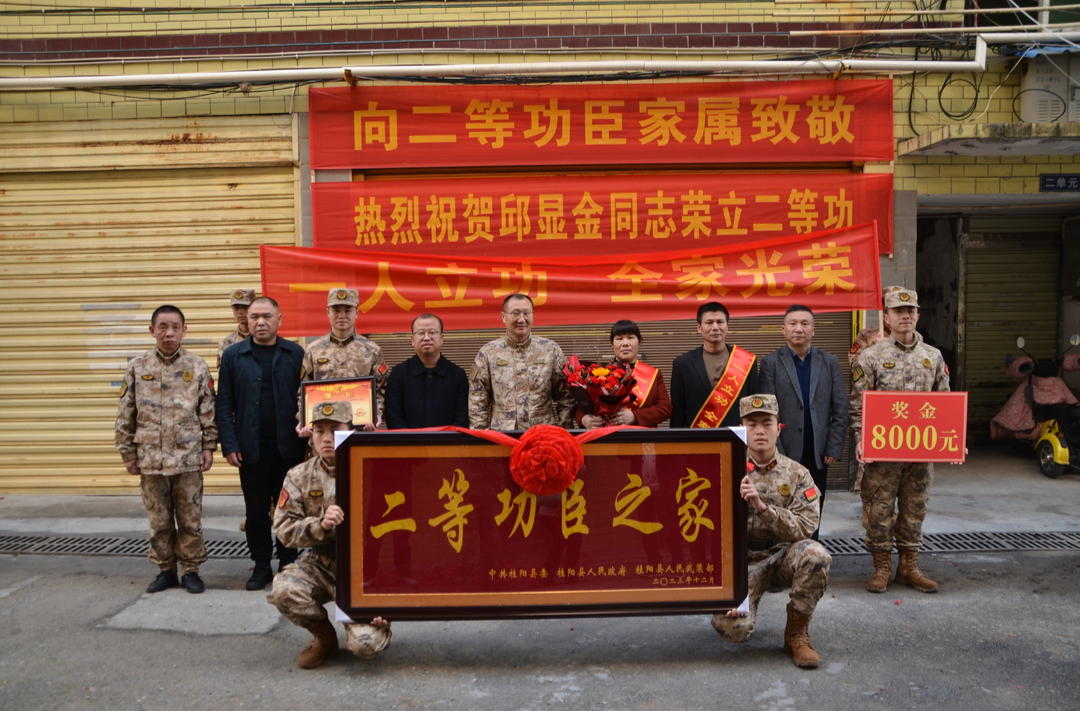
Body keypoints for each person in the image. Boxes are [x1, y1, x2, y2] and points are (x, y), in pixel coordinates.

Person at [267, 401, 391, 669]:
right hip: (321, 563)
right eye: (319, 430)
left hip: (367, 569)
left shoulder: (375, 467)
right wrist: (319, 526)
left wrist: (387, 599)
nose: (326, 438)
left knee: (365, 646)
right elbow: (284, 529)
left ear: (350, 430)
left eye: (335, 430)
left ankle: (376, 623)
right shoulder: (299, 475)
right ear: (310, 435)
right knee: (284, 590)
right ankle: (324, 638)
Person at [711, 394, 831, 669]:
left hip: (780, 558)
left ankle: (797, 634)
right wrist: (725, 589)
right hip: (738, 563)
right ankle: (736, 604)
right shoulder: (722, 466)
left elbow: (806, 526)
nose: (760, 431)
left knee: (816, 555)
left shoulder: (798, 474)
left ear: (780, 428)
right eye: (751, 424)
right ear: (741, 428)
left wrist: (763, 508)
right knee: (733, 630)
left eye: (767, 423)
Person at [850, 286, 950, 594]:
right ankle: (882, 567)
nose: (905, 316)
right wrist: (859, 438)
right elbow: (858, 404)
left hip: (920, 453)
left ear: (918, 315)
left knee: (914, 509)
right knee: (879, 511)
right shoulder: (871, 357)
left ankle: (910, 568)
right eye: (898, 311)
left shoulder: (933, 357)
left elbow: (945, 405)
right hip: (882, 453)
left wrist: (953, 438)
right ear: (886, 318)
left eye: (910, 311)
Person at [115, 305, 217, 594]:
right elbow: (126, 413)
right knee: (158, 520)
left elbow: (207, 410)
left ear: (185, 330)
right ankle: (165, 570)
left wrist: (209, 446)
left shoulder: (197, 366)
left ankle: (191, 570)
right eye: (162, 327)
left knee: (190, 518)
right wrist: (128, 453)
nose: (169, 332)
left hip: (187, 459)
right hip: (150, 460)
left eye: (175, 326)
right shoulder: (137, 367)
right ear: (152, 331)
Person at [217, 296, 306, 590]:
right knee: (255, 512)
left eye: (267, 316)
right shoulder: (233, 356)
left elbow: (305, 400)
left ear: (280, 320)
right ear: (246, 321)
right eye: (254, 316)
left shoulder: (295, 353)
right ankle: (260, 565)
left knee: (287, 509)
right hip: (250, 449)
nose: (260, 322)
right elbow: (224, 403)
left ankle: (288, 562)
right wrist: (229, 444)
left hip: (287, 449)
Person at [759, 305, 848, 538]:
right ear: (784, 329)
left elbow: (840, 407)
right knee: (782, 507)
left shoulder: (829, 362)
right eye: (793, 323)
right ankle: (783, 559)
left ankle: (812, 555)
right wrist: (776, 451)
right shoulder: (771, 363)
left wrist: (833, 447)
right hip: (784, 451)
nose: (798, 329)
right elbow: (767, 413)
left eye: (804, 324)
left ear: (814, 330)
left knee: (813, 505)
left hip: (817, 452)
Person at [468, 293, 574, 431]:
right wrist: (483, 438)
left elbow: (566, 396)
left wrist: (561, 431)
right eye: (515, 313)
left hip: (543, 435)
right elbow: (478, 400)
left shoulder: (550, 350)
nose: (522, 319)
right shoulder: (488, 353)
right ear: (503, 317)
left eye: (526, 313)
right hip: (502, 436)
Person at [297, 288, 387, 434]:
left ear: (356, 313)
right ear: (328, 312)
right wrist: (303, 419)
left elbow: (381, 390)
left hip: (359, 429)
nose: (341, 315)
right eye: (336, 310)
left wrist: (376, 415)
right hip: (324, 430)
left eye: (348, 310)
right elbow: (303, 391)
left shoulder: (372, 350)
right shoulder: (313, 350)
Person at [670, 302, 758, 429]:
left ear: (727, 326)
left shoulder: (747, 361)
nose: (715, 327)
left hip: (737, 438)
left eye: (720, 322)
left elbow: (753, 406)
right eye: (709, 322)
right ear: (699, 328)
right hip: (698, 438)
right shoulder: (682, 364)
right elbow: (678, 411)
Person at [578, 319, 672, 428]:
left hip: (642, 438)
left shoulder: (653, 374)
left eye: (631, 338)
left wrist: (635, 416)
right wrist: (584, 419)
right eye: (619, 339)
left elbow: (665, 408)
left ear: (639, 342)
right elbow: (581, 407)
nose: (625, 343)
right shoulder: (600, 373)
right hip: (606, 438)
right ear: (612, 344)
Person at [385, 313, 469, 429]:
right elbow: (393, 415)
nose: (426, 337)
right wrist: (410, 441)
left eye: (432, 332)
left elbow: (462, 417)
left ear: (442, 338)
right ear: (412, 340)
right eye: (420, 333)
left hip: (448, 444)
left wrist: (447, 441)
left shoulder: (458, 375)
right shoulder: (398, 374)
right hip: (407, 444)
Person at [849, 318, 891, 493]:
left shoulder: (916, 338)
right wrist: (877, 350)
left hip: (902, 410)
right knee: (871, 462)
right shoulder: (868, 335)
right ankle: (868, 503)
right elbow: (854, 365)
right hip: (876, 407)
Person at [217, 288, 256, 367]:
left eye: (245, 307)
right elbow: (224, 373)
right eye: (236, 307)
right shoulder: (226, 343)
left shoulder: (264, 338)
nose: (240, 312)